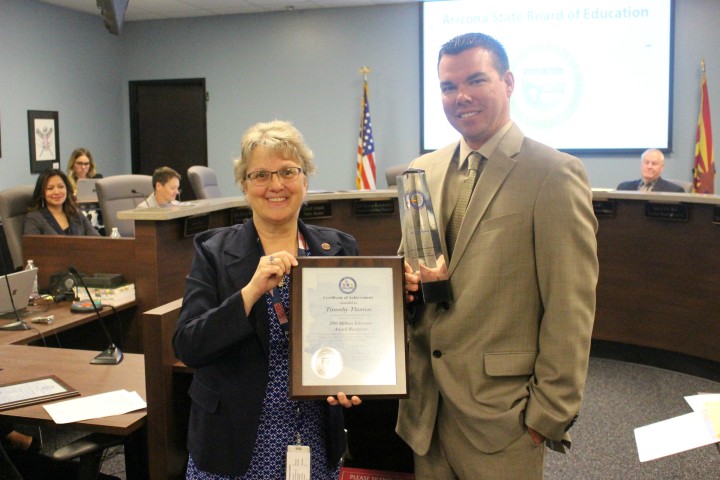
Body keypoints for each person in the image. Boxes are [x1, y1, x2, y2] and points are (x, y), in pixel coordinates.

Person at [397, 32, 599, 479]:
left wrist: (546, 416)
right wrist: (406, 285)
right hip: (426, 411)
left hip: (504, 420)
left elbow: (571, 307)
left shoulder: (553, 174)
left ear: (507, 82)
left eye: (476, 80)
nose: (461, 96)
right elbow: (410, 271)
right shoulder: (421, 170)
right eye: (448, 86)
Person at [173, 120, 361, 479]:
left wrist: (353, 378)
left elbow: (353, 336)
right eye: (260, 175)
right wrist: (249, 293)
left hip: (312, 437)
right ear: (245, 186)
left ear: (305, 180)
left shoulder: (338, 248)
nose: (276, 185)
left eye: (288, 171)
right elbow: (188, 345)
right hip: (232, 442)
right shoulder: (213, 251)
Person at [23, 169, 99, 236]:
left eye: (61, 187)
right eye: (50, 188)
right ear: (42, 193)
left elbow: (97, 241)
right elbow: (32, 250)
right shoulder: (34, 218)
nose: (56, 192)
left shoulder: (75, 213)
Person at [616, 148, 685, 192]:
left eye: (654, 164)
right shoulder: (623, 188)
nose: (649, 166)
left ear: (662, 168)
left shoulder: (674, 191)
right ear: (641, 165)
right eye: (646, 162)